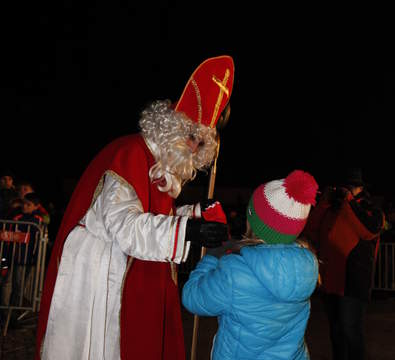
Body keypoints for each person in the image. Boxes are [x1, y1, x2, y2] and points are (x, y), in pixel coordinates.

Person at [35, 55, 234, 360]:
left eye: (201, 144)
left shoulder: (159, 165)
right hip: (100, 274)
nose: (194, 148)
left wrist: (192, 214)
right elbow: (126, 226)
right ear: (171, 126)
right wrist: (187, 229)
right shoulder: (130, 153)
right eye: (192, 137)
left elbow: (154, 219)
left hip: (127, 265)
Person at [182, 170, 320, 360]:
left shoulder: (235, 272)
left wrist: (212, 256)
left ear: (254, 221)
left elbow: (192, 297)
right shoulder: (308, 265)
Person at [302, 168, 384, 360]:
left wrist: (348, 202)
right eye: (344, 188)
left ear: (361, 188)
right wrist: (324, 203)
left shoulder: (370, 209)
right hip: (331, 282)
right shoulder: (332, 208)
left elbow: (368, 231)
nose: (347, 191)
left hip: (353, 283)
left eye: (351, 187)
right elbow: (311, 229)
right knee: (336, 333)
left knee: (351, 332)